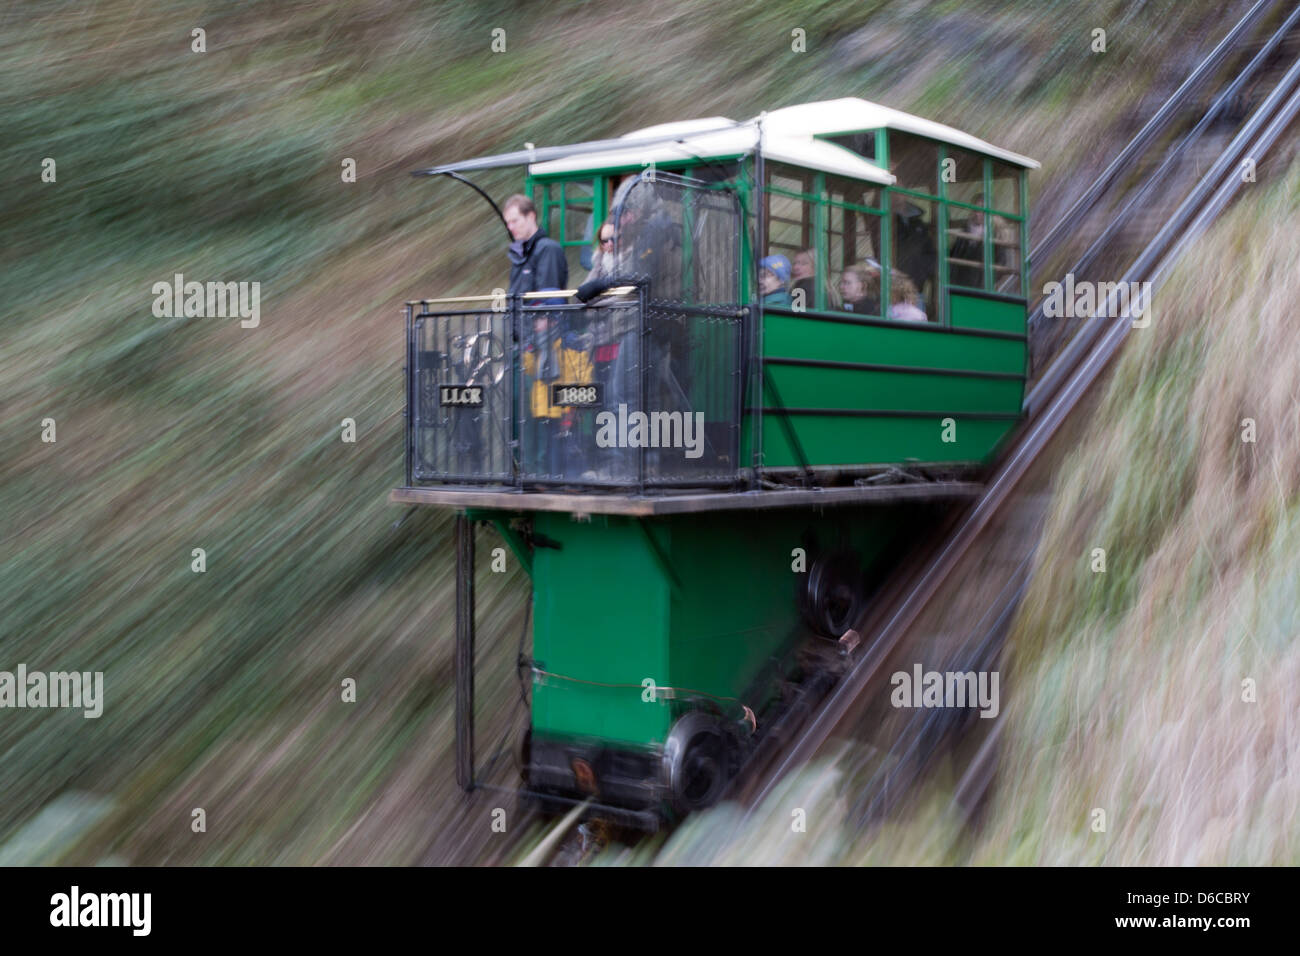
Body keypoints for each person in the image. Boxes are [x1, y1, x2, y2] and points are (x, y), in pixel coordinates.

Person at [504, 194, 568, 295]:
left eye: (514, 221)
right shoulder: (519, 254)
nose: (510, 227)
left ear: (531, 217)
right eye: (508, 223)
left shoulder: (548, 249)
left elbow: (549, 301)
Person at [948, 209, 984, 288]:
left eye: (981, 210)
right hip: (957, 284)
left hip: (979, 287)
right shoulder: (965, 230)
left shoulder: (993, 234)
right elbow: (955, 253)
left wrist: (983, 281)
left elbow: (1001, 261)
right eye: (975, 210)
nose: (977, 213)